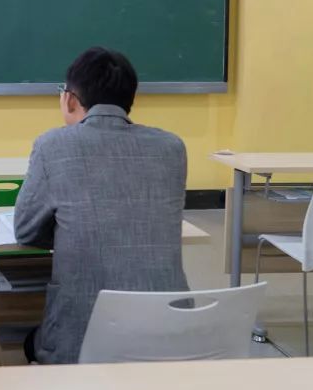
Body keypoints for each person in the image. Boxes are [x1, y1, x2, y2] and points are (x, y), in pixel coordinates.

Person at [14, 47, 188, 365]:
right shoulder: (172, 148)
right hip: (169, 338)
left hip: (81, 342)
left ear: (69, 99)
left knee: (25, 341)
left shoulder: (53, 145)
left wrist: (73, 231)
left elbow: (26, 231)